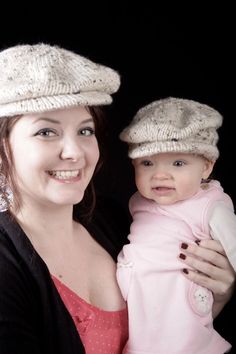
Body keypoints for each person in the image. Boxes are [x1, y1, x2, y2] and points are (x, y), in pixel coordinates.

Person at [0, 45, 234, 354]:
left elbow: (166, 333)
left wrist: (212, 298)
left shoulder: (119, 221)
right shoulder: (6, 269)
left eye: (85, 130)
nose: (75, 152)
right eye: (46, 132)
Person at [117, 97, 236, 354]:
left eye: (178, 163)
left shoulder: (209, 205)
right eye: (147, 163)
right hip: (143, 306)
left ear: (206, 166)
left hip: (181, 303)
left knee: (182, 339)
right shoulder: (137, 202)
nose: (160, 175)